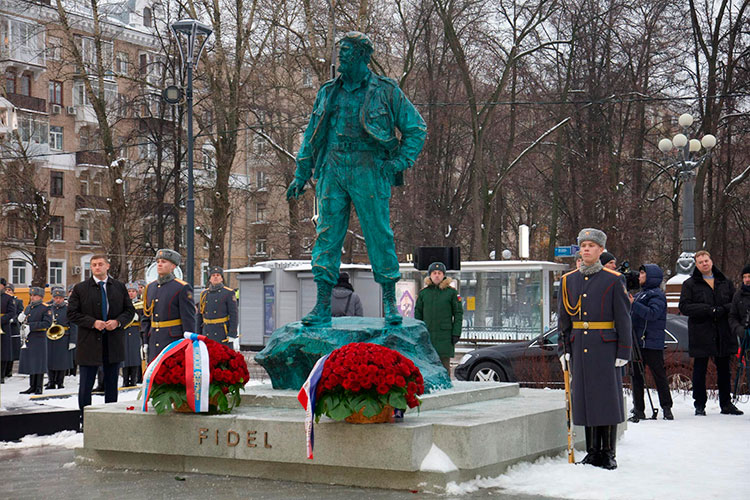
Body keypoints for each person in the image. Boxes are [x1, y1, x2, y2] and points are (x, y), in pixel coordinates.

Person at [286, 31, 427, 326]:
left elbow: (416, 129)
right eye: (340, 52)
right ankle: (322, 305)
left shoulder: (385, 90)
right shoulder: (328, 91)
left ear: (364, 56)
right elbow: (312, 135)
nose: (342, 58)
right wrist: (301, 173)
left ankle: (390, 303)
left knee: (378, 233)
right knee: (327, 236)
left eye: (348, 53)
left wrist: (400, 161)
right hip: (333, 165)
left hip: (369, 166)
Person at [558, 228, 631, 470]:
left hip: (605, 347)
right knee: (587, 399)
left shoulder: (612, 279)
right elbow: (563, 321)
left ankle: (608, 453)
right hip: (580, 346)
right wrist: (563, 348)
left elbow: (623, 318)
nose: (586, 248)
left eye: (591, 245)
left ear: (600, 250)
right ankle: (592, 451)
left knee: (607, 400)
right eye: (583, 245)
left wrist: (623, 351)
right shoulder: (568, 280)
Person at [68, 254, 135, 419]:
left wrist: (118, 322)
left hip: (113, 342)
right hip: (89, 343)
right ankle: (84, 418)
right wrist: (92, 322)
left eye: (100, 264)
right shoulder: (81, 288)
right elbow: (72, 314)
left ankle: (110, 418)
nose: (97, 267)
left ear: (107, 266)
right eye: (93, 265)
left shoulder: (118, 287)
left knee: (112, 384)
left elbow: (129, 311)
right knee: (86, 384)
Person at [678, 250, 743, 416]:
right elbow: (684, 307)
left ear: (711, 261)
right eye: (700, 262)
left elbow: (735, 303)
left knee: (724, 370)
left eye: (706, 260)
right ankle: (699, 404)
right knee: (699, 370)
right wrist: (707, 310)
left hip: (723, 332)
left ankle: (726, 404)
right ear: (696, 265)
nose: (704, 264)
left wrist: (721, 310)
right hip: (701, 332)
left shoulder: (725, 282)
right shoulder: (690, 284)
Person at [628, 264, 673, 421]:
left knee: (658, 375)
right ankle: (638, 409)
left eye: (642, 274)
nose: (639, 276)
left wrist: (634, 304)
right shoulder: (642, 294)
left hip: (652, 343)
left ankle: (666, 407)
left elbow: (652, 314)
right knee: (636, 377)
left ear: (651, 277)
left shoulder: (657, 295)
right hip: (638, 342)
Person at [141, 249, 195, 362]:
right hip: (153, 339)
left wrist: (189, 342)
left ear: (173, 266)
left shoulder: (181, 287)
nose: (159, 264)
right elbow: (146, 317)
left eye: (164, 261)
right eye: (158, 261)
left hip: (173, 340)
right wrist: (145, 340)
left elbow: (188, 318)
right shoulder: (150, 288)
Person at [415, 262, 463, 375]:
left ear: (443, 275)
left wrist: (456, 333)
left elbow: (458, 313)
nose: (437, 275)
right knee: (427, 365)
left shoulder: (451, 293)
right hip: (428, 335)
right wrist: (418, 332)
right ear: (430, 275)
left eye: (439, 273)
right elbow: (418, 314)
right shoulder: (423, 294)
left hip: (445, 336)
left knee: (444, 366)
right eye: (434, 273)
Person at [18, 287, 52, 394]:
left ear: (41, 297)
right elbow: (25, 321)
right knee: (31, 363)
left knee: (38, 363)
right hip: (29, 338)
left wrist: (31, 326)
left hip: (39, 338)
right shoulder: (29, 307)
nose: (32, 297)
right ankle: (32, 386)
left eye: (35, 296)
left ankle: (38, 387)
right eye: (31, 295)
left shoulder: (45, 308)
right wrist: (21, 320)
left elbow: (47, 323)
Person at [197, 267, 238, 347]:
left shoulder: (228, 293)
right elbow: (199, 315)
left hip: (222, 332)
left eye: (218, 275)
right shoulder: (204, 294)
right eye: (213, 275)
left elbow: (233, 315)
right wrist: (197, 333)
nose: (215, 277)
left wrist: (232, 333)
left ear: (221, 278)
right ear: (210, 279)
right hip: (207, 332)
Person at [45, 288, 75, 389]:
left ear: (63, 298)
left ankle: (60, 382)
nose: (58, 300)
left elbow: (73, 325)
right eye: (56, 298)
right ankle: (51, 382)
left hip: (64, 337)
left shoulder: (68, 309)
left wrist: (72, 341)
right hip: (50, 338)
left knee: (62, 361)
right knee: (50, 360)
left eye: (60, 298)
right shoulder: (49, 308)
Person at [121, 283, 142, 387]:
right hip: (125, 331)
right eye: (129, 291)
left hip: (135, 331)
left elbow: (145, 317)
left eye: (133, 291)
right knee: (125, 356)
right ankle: (125, 380)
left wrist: (139, 318)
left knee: (134, 356)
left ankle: (134, 380)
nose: (131, 293)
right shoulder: (122, 304)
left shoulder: (140, 304)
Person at [728, 265, 750, 353]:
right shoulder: (738, 295)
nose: (747, 279)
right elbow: (732, 316)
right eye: (744, 277)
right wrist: (739, 329)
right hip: (745, 337)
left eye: (749, 276)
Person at [1, 278, 17, 383]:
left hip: (3, 327)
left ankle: (1, 375)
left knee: (2, 352)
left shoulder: (8, 298)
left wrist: (1, 320)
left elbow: (12, 312)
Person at [6, 283, 24, 378]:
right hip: (4, 326)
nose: (8, 292)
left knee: (11, 350)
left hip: (13, 328)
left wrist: (14, 319)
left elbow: (20, 313)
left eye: (10, 290)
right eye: (6, 290)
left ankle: (9, 370)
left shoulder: (17, 301)